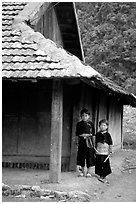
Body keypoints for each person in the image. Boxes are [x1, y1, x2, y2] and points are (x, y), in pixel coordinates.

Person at [76, 108, 95, 177]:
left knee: (89, 156)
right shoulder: (79, 124)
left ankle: (89, 172)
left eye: (86, 115)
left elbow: (93, 134)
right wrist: (84, 135)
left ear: (89, 116)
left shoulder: (91, 124)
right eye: (83, 115)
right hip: (82, 142)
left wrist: (93, 143)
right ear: (81, 116)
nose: (84, 117)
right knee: (81, 156)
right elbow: (77, 134)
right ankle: (82, 171)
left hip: (89, 142)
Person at [95, 119, 113, 183]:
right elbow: (95, 142)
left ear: (107, 126)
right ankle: (99, 174)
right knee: (98, 162)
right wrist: (94, 150)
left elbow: (110, 143)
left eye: (104, 125)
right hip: (98, 150)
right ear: (99, 126)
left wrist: (110, 150)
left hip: (105, 151)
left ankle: (104, 174)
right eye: (101, 125)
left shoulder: (108, 135)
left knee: (104, 163)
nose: (102, 126)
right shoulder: (97, 134)